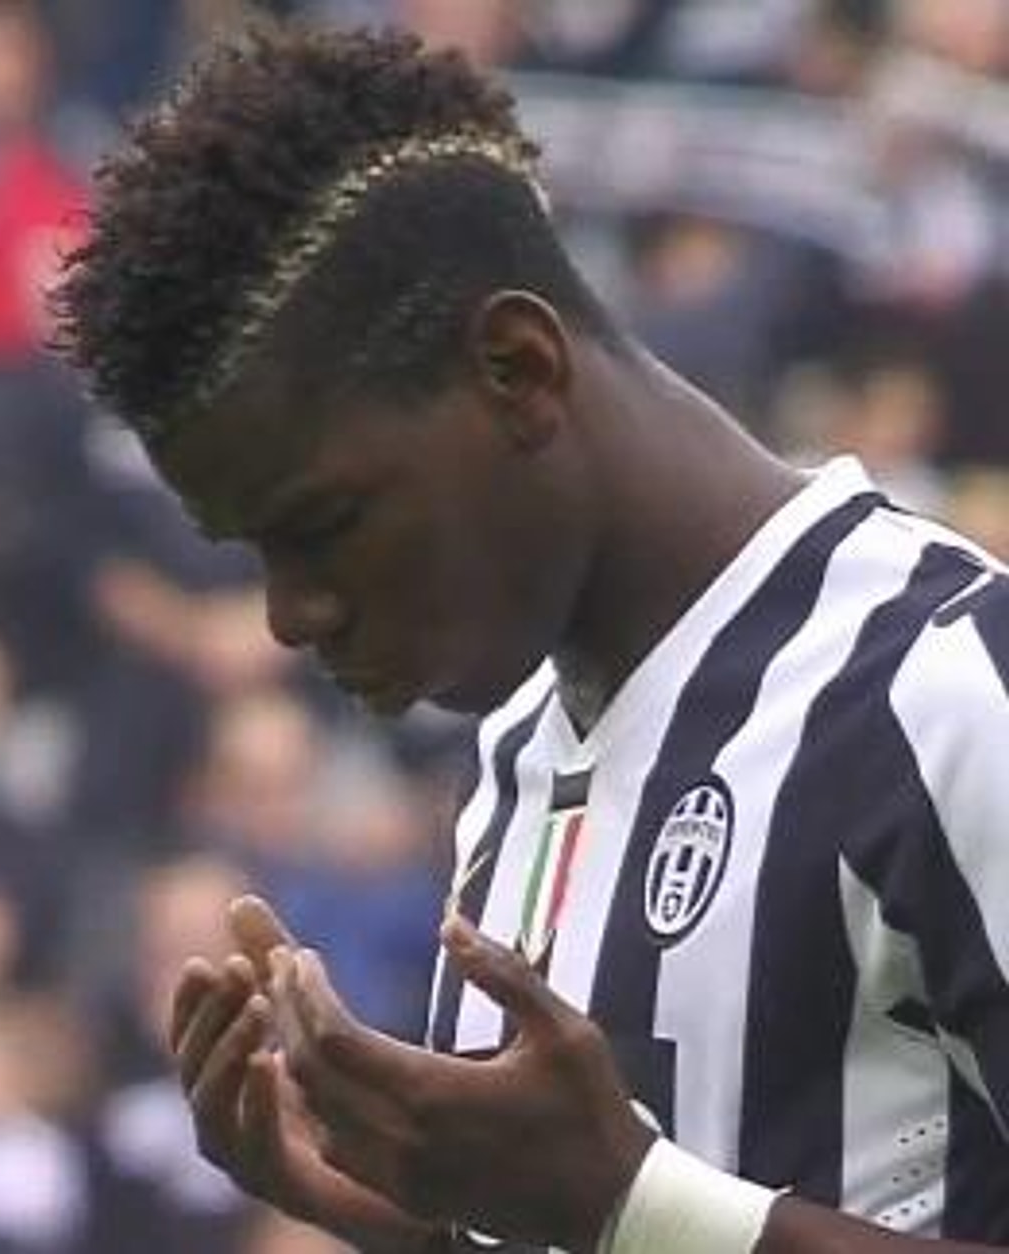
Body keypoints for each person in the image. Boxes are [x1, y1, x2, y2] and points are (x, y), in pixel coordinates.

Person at [53, 24, 1009, 1254]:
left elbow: (637, 1214)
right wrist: (415, 1221)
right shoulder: (518, 758)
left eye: (323, 527)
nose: (290, 616)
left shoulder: (947, 687)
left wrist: (630, 1205)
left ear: (518, 367)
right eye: (254, 554)